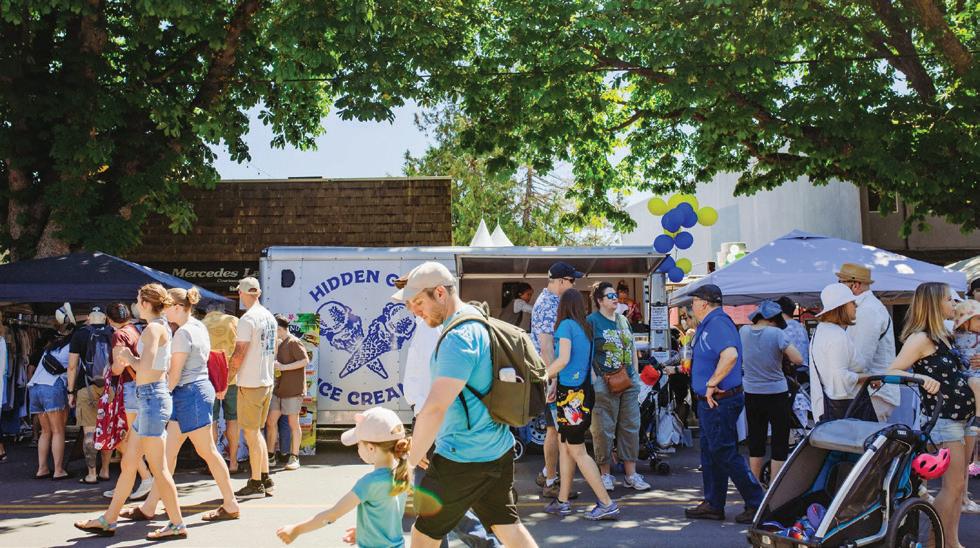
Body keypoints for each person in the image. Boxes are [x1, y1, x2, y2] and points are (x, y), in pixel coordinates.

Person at [397, 262, 537, 548]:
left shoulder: (457, 339)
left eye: (419, 302)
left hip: (463, 456)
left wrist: (408, 464)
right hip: (496, 449)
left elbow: (435, 407)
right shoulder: (476, 320)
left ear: (440, 293)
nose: (415, 311)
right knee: (508, 527)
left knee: (423, 534)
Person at [74, 284, 186, 540]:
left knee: (158, 468)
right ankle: (108, 519)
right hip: (150, 398)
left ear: (145, 303)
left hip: (151, 399)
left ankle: (177, 524)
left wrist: (128, 357)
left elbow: (145, 367)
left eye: (137, 299)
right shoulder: (158, 327)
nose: (135, 304)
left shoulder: (153, 329)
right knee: (129, 463)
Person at [122, 287, 240, 523]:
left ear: (177, 307)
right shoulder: (197, 327)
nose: (163, 311)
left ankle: (230, 503)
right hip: (192, 393)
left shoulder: (183, 334)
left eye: (167, 306)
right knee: (169, 454)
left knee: (206, 451)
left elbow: (174, 375)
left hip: (189, 394)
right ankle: (149, 507)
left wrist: (160, 397)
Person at [884, 282, 975, 548]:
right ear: (934, 303)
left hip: (961, 418)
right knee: (953, 487)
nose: (954, 304)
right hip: (944, 420)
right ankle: (939, 543)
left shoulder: (944, 335)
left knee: (958, 488)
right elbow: (891, 371)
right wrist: (921, 379)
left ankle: (951, 541)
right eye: (949, 299)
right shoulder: (921, 338)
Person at [683, 284, 764, 524]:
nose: (691, 306)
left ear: (703, 303)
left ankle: (757, 503)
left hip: (719, 400)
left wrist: (712, 383)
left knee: (724, 452)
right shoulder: (711, 323)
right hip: (714, 400)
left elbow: (730, 355)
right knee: (712, 452)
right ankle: (713, 503)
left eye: (694, 302)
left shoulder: (717, 323)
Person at [276, 407, 410, 547]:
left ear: (371, 448)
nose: (357, 448)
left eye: (358, 444)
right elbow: (388, 514)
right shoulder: (402, 473)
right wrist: (365, 531)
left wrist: (296, 529)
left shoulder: (369, 483)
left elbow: (332, 515)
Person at [544, 289, 620, 520]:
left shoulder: (565, 326)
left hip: (571, 397)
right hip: (582, 391)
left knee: (576, 450)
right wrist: (555, 382)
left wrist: (544, 375)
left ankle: (606, 503)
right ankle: (562, 501)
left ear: (563, 306)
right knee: (566, 445)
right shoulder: (585, 327)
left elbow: (563, 359)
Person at [587, 281, 651, 493]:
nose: (616, 298)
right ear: (599, 300)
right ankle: (605, 474)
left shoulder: (623, 320)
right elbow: (587, 352)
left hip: (628, 380)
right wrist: (595, 379)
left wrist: (635, 374)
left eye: (615, 295)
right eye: (610, 296)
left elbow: (631, 347)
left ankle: (631, 474)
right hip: (604, 382)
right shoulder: (592, 321)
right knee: (603, 429)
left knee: (630, 426)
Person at [530, 262, 581, 498]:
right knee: (554, 431)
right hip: (554, 376)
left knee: (556, 430)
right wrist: (554, 379)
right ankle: (551, 482)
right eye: (572, 281)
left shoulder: (552, 302)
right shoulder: (547, 305)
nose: (574, 285)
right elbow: (546, 346)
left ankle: (547, 473)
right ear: (561, 281)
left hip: (555, 375)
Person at [739, 300, 804, 483]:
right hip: (777, 393)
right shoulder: (776, 334)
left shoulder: (743, 331)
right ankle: (775, 484)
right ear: (773, 320)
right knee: (779, 440)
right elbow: (798, 359)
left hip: (751, 392)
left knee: (756, 440)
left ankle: (754, 483)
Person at [230, 277, 278, 499]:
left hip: (250, 382)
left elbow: (239, 353)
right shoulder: (269, 317)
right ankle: (265, 478)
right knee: (256, 432)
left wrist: (227, 379)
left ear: (241, 293)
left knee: (251, 433)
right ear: (258, 293)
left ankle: (256, 482)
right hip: (265, 380)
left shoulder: (247, 319)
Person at [103, 303, 154, 501]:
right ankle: (128, 484)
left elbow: (118, 366)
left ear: (109, 319)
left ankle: (145, 478)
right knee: (130, 439)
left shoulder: (119, 335)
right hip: (139, 386)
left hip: (129, 389)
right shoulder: (134, 330)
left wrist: (108, 370)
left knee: (126, 440)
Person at [836, 263, 899, 422]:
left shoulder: (867, 310)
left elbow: (859, 358)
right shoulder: (867, 308)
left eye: (841, 283)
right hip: (872, 391)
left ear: (855, 285)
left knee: (867, 437)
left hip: (873, 393)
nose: (838, 287)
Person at [808, 283, 869, 422]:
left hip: (828, 407)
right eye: (852, 302)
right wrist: (868, 377)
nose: (856, 305)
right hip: (845, 410)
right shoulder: (836, 335)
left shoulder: (822, 330)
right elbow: (839, 379)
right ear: (842, 306)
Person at [67, 307, 113, 484]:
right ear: (105, 317)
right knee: (107, 429)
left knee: (89, 432)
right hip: (109, 388)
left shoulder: (80, 334)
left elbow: (72, 366)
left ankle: (91, 474)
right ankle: (105, 470)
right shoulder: (113, 333)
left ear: (88, 317)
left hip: (85, 387)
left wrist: (70, 391)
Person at [27, 318, 73, 480]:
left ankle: (42, 468)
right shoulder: (72, 347)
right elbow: (72, 368)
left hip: (35, 388)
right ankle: (58, 470)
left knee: (45, 431)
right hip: (52, 387)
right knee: (58, 430)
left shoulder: (51, 348)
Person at [202, 302, 241, 473]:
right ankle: (233, 462)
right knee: (233, 419)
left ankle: (212, 464)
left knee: (212, 421)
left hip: (208, 379)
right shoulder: (234, 321)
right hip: (232, 379)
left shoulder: (200, 324)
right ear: (223, 311)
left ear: (208, 311)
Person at [267, 314, 309, 471]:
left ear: (279, 329)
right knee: (271, 421)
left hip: (292, 390)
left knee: (293, 423)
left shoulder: (294, 342)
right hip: (278, 390)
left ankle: (294, 456)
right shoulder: (278, 343)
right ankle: (270, 455)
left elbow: (305, 361)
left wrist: (284, 367)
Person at [952, 299, 980, 511]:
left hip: (970, 402)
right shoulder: (950, 339)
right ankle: (959, 496)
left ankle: (963, 496)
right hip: (961, 401)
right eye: (977, 319)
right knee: (959, 456)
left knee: (967, 454)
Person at [775, 296, 809, 369]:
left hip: (791, 370)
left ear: (779, 311)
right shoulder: (800, 326)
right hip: (805, 368)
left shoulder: (781, 328)